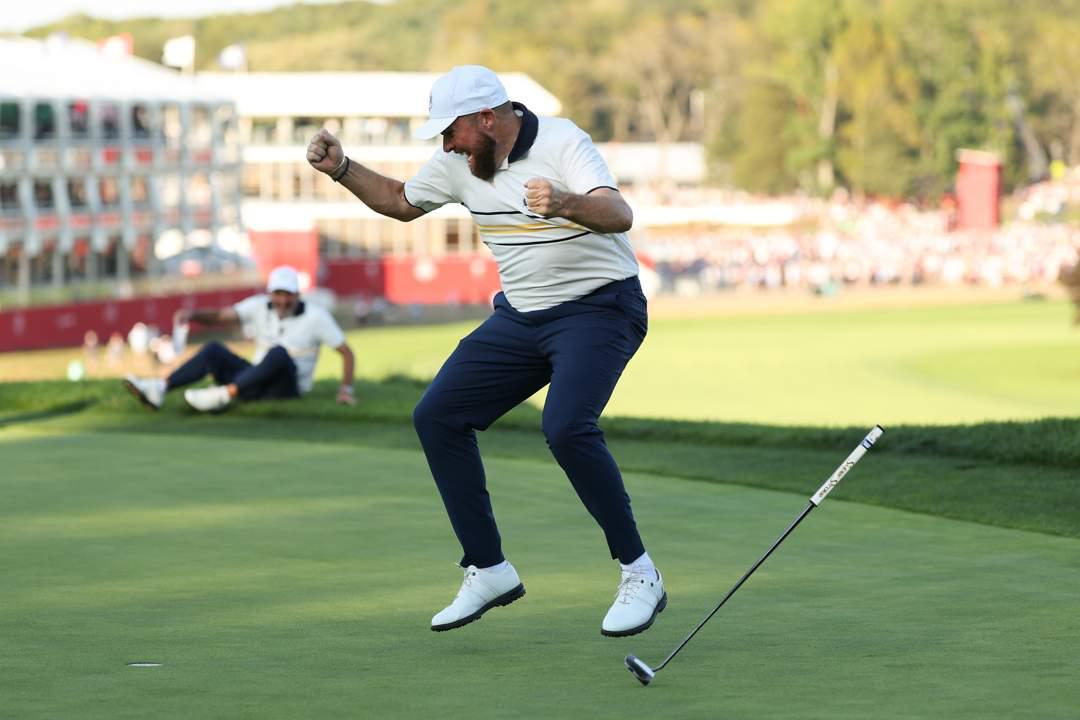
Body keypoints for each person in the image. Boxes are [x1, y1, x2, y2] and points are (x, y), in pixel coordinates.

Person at [306, 65, 664, 637]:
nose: (445, 144)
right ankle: (488, 568)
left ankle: (640, 574)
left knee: (567, 426)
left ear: (487, 118)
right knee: (437, 415)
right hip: (521, 318)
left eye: (450, 131)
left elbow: (619, 214)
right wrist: (342, 169)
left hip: (600, 309)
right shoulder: (459, 163)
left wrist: (566, 202)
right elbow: (400, 201)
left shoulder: (563, 140)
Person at [123, 266, 356, 413]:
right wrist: (193, 315)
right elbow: (222, 317)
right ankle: (160, 388)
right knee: (214, 349)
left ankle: (225, 394)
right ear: (270, 293)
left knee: (279, 353)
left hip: (287, 387)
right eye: (278, 294)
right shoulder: (258, 306)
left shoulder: (317, 317)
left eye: (288, 295)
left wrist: (345, 389)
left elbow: (346, 352)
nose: (283, 301)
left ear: (297, 294)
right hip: (254, 379)